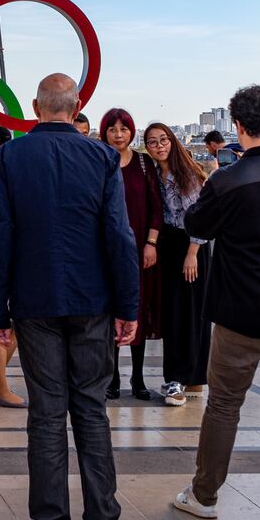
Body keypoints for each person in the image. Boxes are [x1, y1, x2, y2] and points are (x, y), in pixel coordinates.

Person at [0, 73, 139, 520]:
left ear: (35, 105)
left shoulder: (9, 156)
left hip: (34, 302)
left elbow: (0, 236)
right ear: (77, 106)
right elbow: (119, 235)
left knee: (47, 414)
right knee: (92, 409)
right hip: (93, 300)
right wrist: (128, 304)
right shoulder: (102, 157)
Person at [173, 84, 260, 519]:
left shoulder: (230, 180)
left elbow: (196, 222)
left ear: (238, 126)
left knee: (223, 406)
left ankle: (204, 495)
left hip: (240, 313)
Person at [144, 122, 211, 407]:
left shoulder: (189, 173)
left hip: (191, 245)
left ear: (173, 141)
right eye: (152, 142)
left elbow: (200, 218)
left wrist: (192, 252)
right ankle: (182, 375)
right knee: (173, 311)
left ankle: (185, 377)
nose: (159, 146)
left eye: (163, 140)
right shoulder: (155, 174)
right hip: (169, 243)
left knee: (192, 312)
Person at [100, 109, 162, 400]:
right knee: (111, 311)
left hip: (139, 250)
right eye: (112, 129)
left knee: (139, 309)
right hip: (107, 251)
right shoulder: (98, 160)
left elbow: (156, 207)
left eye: (123, 129)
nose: (118, 135)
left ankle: (137, 379)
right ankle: (111, 378)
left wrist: (151, 243)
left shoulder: (144, 163)